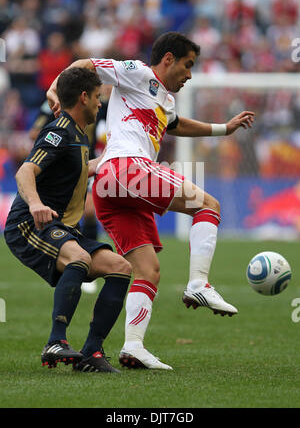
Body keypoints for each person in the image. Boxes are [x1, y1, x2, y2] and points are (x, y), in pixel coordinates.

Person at [47, 32, 255, 371]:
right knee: (208, 206)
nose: (190, 75)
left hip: (110, 190)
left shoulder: (166, 101)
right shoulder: (137, 72)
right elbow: (84, 65)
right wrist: (54, 89)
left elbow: (176, 125)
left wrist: (223, 128)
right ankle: (199, 284)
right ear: (169, 59)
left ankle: (133, 347)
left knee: (147, 270)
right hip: (127, 170)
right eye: (188, 66)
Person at [4, 67, 132, 373]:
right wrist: (35, 204)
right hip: (29, 225)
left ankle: (92, 353)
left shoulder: (78, 134)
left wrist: (111, 160)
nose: (100, 104)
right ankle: (55, 342)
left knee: (120, 267)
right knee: (78, 257)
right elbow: (25, 171)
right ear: (84, 97)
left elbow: (77, 170)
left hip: (60, 227)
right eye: (98, 98)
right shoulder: (59, 131)